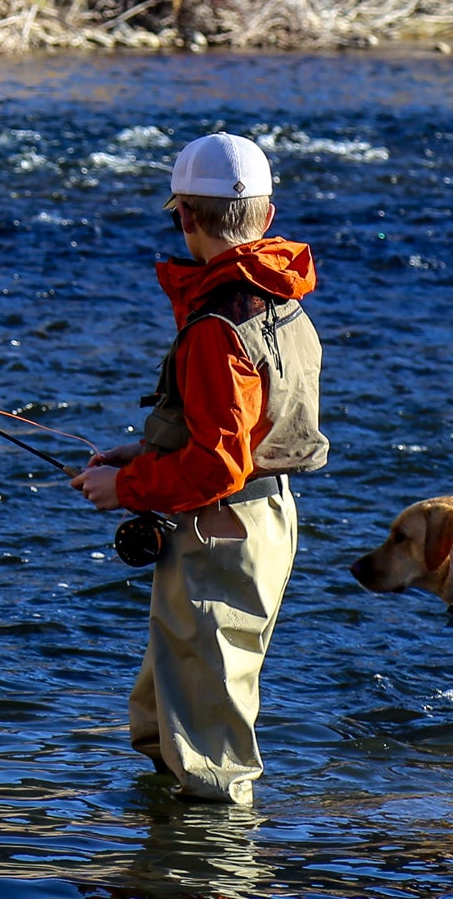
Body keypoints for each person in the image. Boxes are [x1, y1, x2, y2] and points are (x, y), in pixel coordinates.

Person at [71, 131, 329, 806]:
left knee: (210, 750)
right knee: (167, 713)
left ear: (184, 216)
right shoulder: (279, 300)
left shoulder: (217, 324)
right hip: (258, 519)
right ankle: (168, 858)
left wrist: (125, 487)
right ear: (266, 217)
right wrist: (151, 449)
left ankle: (214, 868)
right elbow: (246, 427)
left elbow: (218, 463)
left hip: (223, 531)